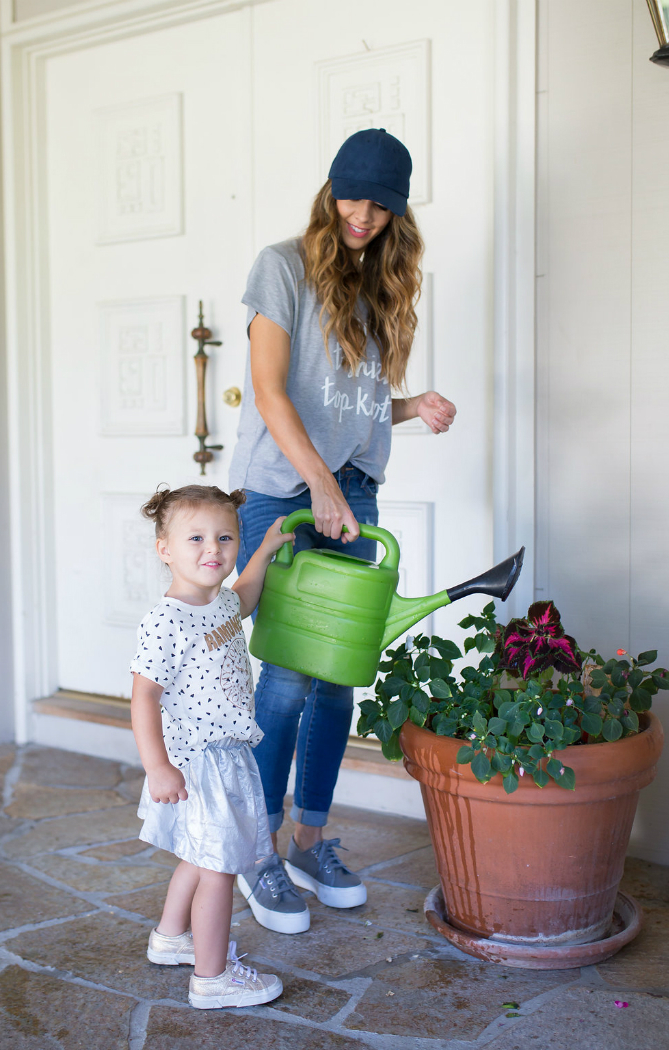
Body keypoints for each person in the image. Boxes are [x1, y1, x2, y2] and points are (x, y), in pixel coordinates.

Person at [230, 128, 457, 934]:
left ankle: (308, 840)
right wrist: (320, 483)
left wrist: (411, 407)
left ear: (397, 209)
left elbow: (348, 407)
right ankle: (254, 850)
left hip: (352, 496)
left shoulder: (377, 288)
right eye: (351, 195)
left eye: (380, 202)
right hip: (286, 496)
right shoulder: (281, 265)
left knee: (337, 680)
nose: (362, 214)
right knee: (289, 680)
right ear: (331, 191)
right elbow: (269, 390)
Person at [129, 483, 294, 1009]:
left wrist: (265, 551)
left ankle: (171, 938)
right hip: (197, 761)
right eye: (196, 537)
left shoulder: (220, 601)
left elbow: (244, 597)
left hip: (225, 754)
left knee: (201, 859)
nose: (212, 549)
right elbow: (143, 698)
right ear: (165, 549)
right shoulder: (166, 620)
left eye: (225, 538)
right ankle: (212, 975)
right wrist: (157, 767)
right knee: (220, 868)